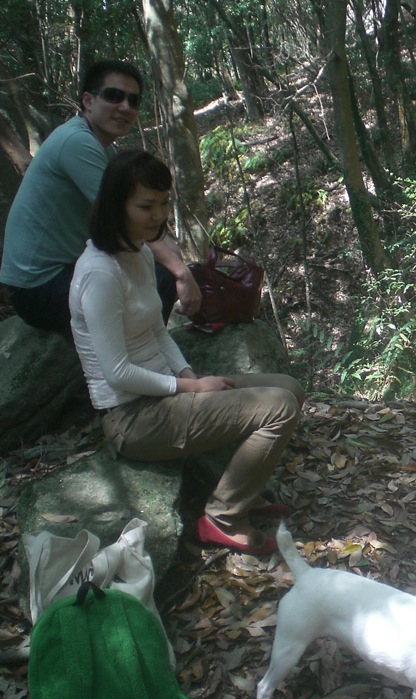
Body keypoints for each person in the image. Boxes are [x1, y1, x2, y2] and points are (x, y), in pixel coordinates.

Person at [69, 150, 304, 554]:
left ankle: (242, 491)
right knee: (277, 407)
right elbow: (117, 373)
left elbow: (158, 332)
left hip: (166, 395)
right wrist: (190, 388)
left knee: (289, 388)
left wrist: (191, 375)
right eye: (145, 205)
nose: (158, 215)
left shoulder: (139, 252)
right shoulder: (99, 273)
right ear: (116, 205)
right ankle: (223, 517)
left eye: (163, 203)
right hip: (132, 416)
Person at [0, 60, 199, 332]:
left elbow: (141, 220)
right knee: (160, 277)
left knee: (160, 262)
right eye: (114, 96)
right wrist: (180, 271)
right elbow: (124, 220)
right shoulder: (77, 143)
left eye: (133, 100)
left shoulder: (104, 149)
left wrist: (173, 252)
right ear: (88, 100)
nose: (125, 107)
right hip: (39, 287)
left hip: (62, 273)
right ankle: (141, 362)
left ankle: (139, 353)